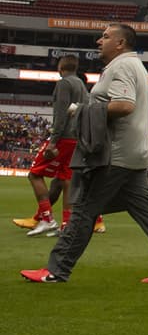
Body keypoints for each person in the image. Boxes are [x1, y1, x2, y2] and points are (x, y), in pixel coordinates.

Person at [20, 23, 148, 284]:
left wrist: (82, 110)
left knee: (83, 210)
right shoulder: (136, 66)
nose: (99, 41)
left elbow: (124, 105)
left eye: (106, 37)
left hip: (115, 154)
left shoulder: (121, 66)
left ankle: (56, 270)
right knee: (144, 208)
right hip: (135, 153)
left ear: (120, 43)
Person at [14, 55, 105, 237]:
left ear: (60, 67)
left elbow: (61, 113)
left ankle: (47, 219)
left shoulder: (64, 83)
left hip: (63, 137)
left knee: (35, 174)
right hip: (76, 139)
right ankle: (66, 224)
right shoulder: (81, 84)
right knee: (66, 180)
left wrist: (53, 141)